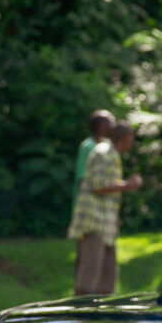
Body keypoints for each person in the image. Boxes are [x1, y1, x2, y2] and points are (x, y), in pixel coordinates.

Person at [66, 121, 142, 296]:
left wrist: (114, 217)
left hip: (106, 224)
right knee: (89, 276)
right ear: (125, 137)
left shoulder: (113, 154)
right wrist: (127, 185)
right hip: (94, 222)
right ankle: (83, 315)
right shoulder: (102, 152)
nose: (132, 142)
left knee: (108, 276)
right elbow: (97, 186)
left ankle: (105, 316)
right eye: (132, 138)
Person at [73, 109, 115, 201]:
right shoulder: (88, 146)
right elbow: (82, 177)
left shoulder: (108, 147)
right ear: (100, 125)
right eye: (110, 121)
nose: (114, 125)